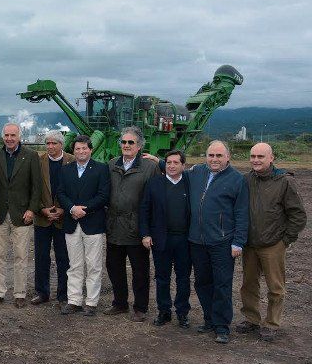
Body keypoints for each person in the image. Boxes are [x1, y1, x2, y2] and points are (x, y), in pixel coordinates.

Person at [236, 142, 306, 341]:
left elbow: (298, 215)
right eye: (253, 156)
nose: (256, 160)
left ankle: (272, 323)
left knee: (275, 287)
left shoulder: (284, 182)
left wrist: (286, 240)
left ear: (271, 158)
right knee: (248, 284)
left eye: (260, 157)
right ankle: (251, 318)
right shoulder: (246, 180)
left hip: (273, 244)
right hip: (250, 244)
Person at [186, 140, 249, 344]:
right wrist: (158, 161)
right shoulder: (197, 172)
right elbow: (175, 170)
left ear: (228, 157)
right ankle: (209, 319)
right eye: (211, 155)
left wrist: (238, 242)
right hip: (197, 240)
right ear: (206, 156)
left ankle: (222, 326)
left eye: (219, 156)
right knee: (202, 282)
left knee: (222, 284)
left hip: (222, 242)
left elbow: (242, 213)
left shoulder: (237, 179)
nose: (214, 159)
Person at [103, 127, 160, 321]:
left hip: (137, 227)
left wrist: (149, 229)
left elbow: (155, 199)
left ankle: (140, 307)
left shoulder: (150, 167)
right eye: (124, 142)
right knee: (114, 267)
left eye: (131, 142)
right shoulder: (111, 164)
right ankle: (119, 303)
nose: (126, 145)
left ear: (139, 145)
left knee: (140, 270)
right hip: (114, 226)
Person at [0, 123, 43, 307]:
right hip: (0, 214)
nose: (9, 138)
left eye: (13, 135)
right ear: (2, 136)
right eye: (6, 135)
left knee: (21, 257)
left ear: (19, 136)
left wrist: (32, 209)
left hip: (22, 214)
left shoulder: (31, 155)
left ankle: (20, 294)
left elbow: (37, 186)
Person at [56, 135, 110, 316]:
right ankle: (74, 301)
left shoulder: (101, 169)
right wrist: (72, 208)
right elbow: (61, 193)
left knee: (94, 265)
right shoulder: (66, 170)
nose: (81, 151)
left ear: (91, 149)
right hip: (71, 223)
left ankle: (91, 303)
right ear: (73, 151)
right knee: (74, 264)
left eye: (84, 148)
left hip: (93, 223)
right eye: (77, 149)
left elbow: (103, 195)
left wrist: (83, 209)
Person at [139, 149, 192, 328]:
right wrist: (145, 234)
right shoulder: (154, 183)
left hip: (184, 240)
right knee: (162, 277)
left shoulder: (190, 182)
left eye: (176, 163)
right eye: (168, 162)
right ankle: (164, 311)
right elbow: (144, 210)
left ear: (183, 165)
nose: (171, 166)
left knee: (183, 278)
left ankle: (182, 312)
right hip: (161, 239)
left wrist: (157, 159)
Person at [32, 130, 73, 307]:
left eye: (54, 143)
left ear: (61, 145)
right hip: (43, 218)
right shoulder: (38, 161)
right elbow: (32, 188)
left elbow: (76, 189)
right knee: (41, 257)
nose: (50, 146)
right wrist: (42, 209)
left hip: (64, 219)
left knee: (64, 258)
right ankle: (42, 293)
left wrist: (64, 209)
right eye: (47, 143)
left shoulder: (72, 160)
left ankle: (63, 295)